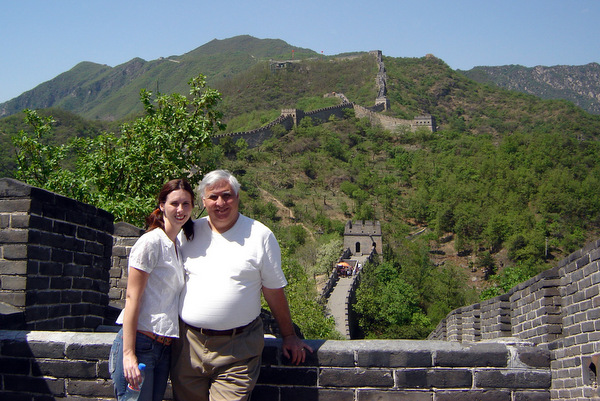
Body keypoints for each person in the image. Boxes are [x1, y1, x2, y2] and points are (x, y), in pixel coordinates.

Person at [171, 169, 313, 401]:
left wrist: (289, 335)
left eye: (227, 195)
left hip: (238, 348)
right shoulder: (187, 233)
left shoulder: (259, 235)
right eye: (213, 197)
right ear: (203, 201)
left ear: (238, 197)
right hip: (188, 347)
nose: (220, 203)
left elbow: (273, 289)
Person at [109, 179, 195, 401]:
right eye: (174, 203)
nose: (180, 210)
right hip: (141, 342)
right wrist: (129, 355)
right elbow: (132, 297)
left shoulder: (177, 245)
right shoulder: (151, 242)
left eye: (186, 204)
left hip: (164, 346)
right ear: (162, 204)